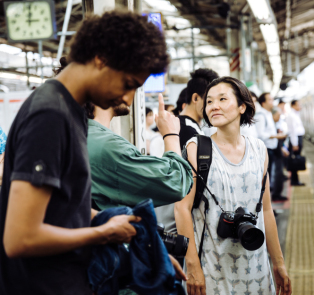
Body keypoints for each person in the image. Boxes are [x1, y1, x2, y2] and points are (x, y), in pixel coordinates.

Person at [0, 11, 185, 295]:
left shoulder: (69, 109)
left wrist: (140, 252)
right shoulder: (50, 115)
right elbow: (20, 237)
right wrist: (102, 233)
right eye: (128, 84)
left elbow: (62, 208)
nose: (127, 98)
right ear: (101, 59)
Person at [174, 77, 291, 295]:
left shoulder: (259, 150)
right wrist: (192, 267)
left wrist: (278, 263)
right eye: (209, 101)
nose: (213, 106)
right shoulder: (197, 148)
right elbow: (181, 208)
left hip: (257, 272)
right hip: (211, 272)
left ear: (241, 107)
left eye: (222, 99)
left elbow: (266, 210)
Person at [85, 95, 192, 211]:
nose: (131, 93)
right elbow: (176, 182)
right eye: (126, 83)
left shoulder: (78, 135)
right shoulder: (110, 146)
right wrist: (171, 134)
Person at [255, 93, 287, 201]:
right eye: (270, 100)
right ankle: (265, 206)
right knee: (265, 179)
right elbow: (260, 134)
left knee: (269, 178)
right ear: (263, 103)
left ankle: (268, 203)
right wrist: (276, 136)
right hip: (266, 150)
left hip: (272, 149)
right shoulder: (260, 115)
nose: (272, 101)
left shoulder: (268, 114)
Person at [179, 68, 219, 150]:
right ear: (195, 98)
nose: (215, 106)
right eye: (209, 100)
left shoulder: (187, 125)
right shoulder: (187, 130)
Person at [286, 99, 305, 186]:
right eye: (298, 105)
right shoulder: (292, 116)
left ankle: (295, 179)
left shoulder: (296, 115)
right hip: (295, 140)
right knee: (294, 160)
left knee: (296, 159)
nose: (300, 106)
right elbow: (293, 131)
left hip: (297, 139)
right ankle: (294, 180)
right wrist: (295, 144)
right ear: (293, 106)